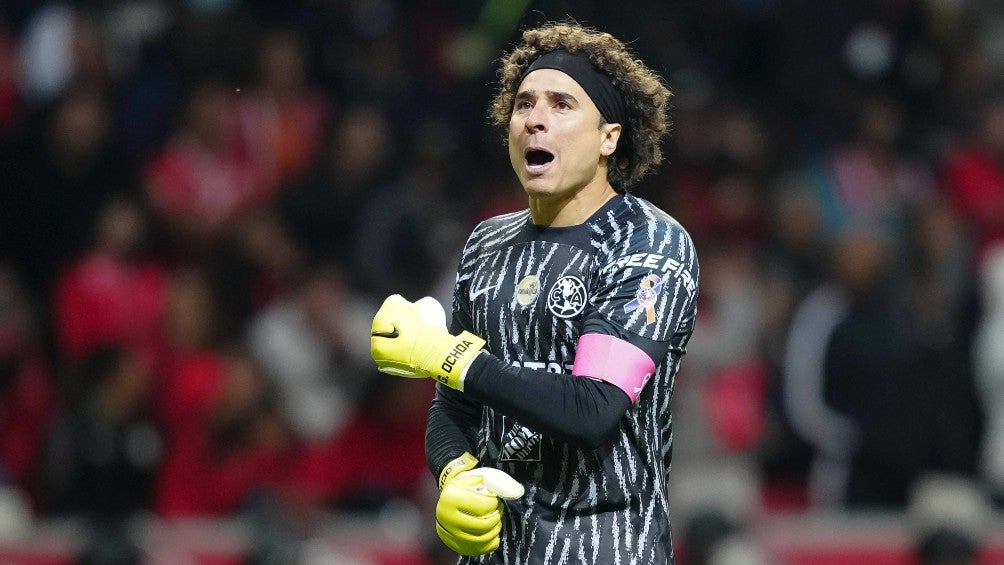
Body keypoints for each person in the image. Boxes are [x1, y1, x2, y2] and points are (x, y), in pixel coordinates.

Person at [370, 22, 699, 564]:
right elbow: (455, 404)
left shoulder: (649, 243)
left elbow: (593, 408)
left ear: (608, 138)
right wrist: (454, 474)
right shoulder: (485, 243)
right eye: (524, 104)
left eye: (562, 104)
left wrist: (443, 355)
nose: (535, 119)